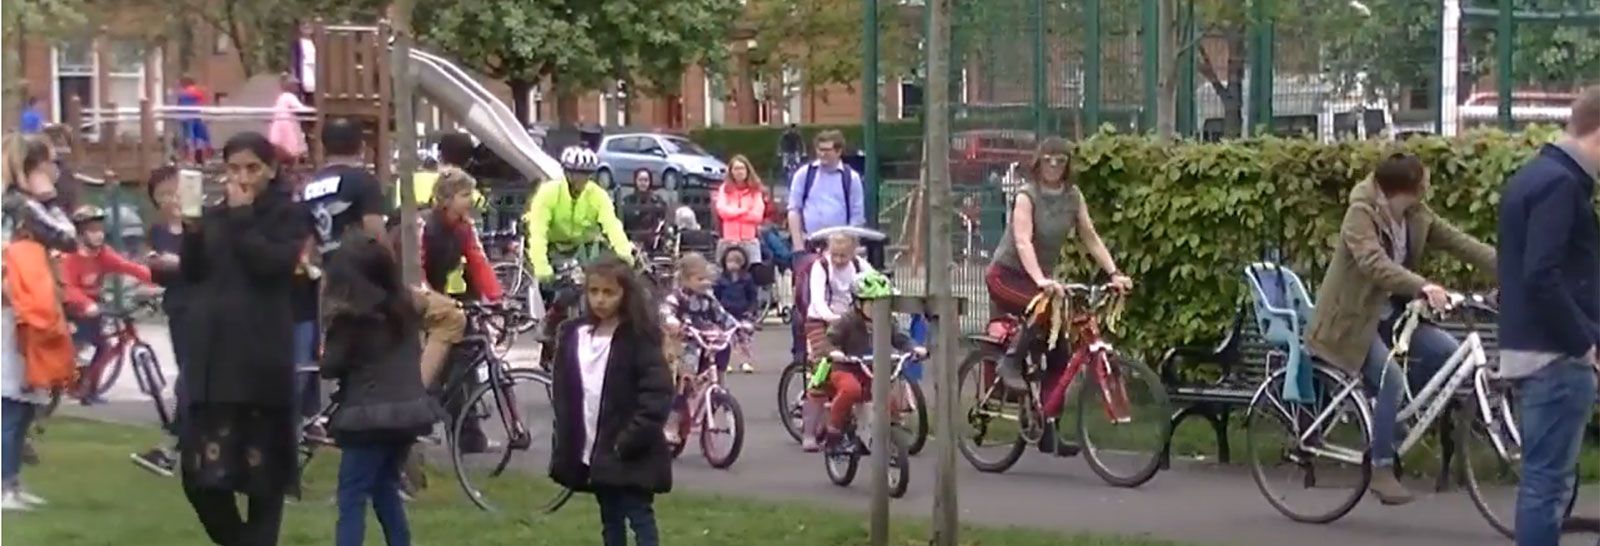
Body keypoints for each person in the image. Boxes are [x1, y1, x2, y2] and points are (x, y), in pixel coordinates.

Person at [1304, 152, 1496, 506]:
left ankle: (1395, 423)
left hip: (1392, 313)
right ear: (1409, 187)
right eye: (1424, 180)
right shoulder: (1359, 215)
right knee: (1390, 378)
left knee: (1446, 354)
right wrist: (1422, 286)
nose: (1428, 184)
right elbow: (1373, 263)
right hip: (1353, 319)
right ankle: (1381, 467)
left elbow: (1459, 243)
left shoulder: (1414, 214)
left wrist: (1509, 266)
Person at [178, 132, 310, 546]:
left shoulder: (287, 215)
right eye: (234, 168)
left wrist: (242, 216)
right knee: (199, 478)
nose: (243, 177)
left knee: (262, 481)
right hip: (213, 363)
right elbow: (194, 272)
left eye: (253, 168)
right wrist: (193, 232)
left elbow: (269, 264)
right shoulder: (218, 216)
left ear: (271, 170)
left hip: (258, 362)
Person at [1495, 87, 1600, 546]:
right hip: (1555, 357)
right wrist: (1584, 341)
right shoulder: (1561, 186)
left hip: (1531, 349)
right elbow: (1543, 273)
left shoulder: (1532, 177)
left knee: (1544, 482)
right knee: (1548, 485)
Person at [985, 137, 1130, 456]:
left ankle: (1049, 427)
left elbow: (1090, 237)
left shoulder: (1072, 197)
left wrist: (1114, 272)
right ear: (1038, 162)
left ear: (1067, 165)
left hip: (1040, 281)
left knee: (1060, 352)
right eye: (1048, 160)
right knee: (1043, 308)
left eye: (1060, 161)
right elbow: (1022, 241)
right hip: (1007, 275)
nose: (1054, 166)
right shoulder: (1027, 195)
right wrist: (1040, 279)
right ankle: (1008, 364)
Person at [320, 231, 444, 546]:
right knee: (384, 487)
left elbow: (331, 367)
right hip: (407, 414)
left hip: (367, 417)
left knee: (351, 496)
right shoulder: (404, 309)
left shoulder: (352, 321)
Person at [547, 255, 672, 546]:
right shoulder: (576, 335)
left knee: (639, 515)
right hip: (594, 447)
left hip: (629, 448)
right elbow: (568, 394)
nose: (600, 300)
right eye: (594, 292)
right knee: (610, 517)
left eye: (609, 293)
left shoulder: (638, 338)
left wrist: (628, 440)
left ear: (624, 295)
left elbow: (657, 394)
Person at [2, 134, 77, 511]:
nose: (56, 170)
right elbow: (67, 237)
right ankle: (4, 486)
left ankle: (11, 482)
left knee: (22, 400)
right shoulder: (22, 205)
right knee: (12, 401)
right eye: (51, 162)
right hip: (17, 312)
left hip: (20, 308)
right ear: (36, 167)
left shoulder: (13, 203)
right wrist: (49, 199)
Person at [813, 271, 925, 449]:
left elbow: (899, 338)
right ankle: (833, 426)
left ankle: (884, 431)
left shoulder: (887, 321)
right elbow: (829, 341)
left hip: (872, 369)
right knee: (851, 390)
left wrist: (914, 347)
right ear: (858, 303)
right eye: (871, 304)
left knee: (889, 397)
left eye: (882, 304)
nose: (877, 309)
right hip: (847, 368)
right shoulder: (848, 320)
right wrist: (835, 352)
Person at [785, 130, 865, 369]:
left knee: (840, 296)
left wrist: (851, 248)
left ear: (839, 151)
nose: (822, 155)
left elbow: (857, 217)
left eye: (827, 150)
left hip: (839, 247)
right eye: (819, 149)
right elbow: (794, 209)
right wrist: (798, 245)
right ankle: (801, 354)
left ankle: (837, 348)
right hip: (810, 246)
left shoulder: (850, 178)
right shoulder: (805, 175)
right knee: (804, 300)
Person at [60, 204, 154, 404]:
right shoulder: (70, 257)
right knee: (80, 346)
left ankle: (89, 390)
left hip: (95, 308)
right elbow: (67, 288)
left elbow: (126, 266)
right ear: (80, 233)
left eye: (101, 230)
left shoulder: (103, 254)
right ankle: (70, 382)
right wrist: (85, 304)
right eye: (92, 231)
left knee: (103, 346)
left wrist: (155, 277)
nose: (99, 235)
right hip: (72, 309)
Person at [131, 167, 192, 475]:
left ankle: (172, 444)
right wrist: (153, 266)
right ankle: (177, 444)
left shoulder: (202, 225)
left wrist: (181, 262)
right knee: (188, 373)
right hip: (179, 306)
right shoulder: (158, 232)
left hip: (205, 307)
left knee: (192, 377)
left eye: (175, 191)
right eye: (163, 195)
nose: (171, 200)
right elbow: (155, 272)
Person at [796, 232, 873, 451]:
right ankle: (809, 433)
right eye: (835, 255)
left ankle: (857, 425)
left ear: (853, 252)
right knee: (821, 368)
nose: (839, 260)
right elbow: (817, 300)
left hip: (850, 320)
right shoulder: (820, 266)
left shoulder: (860, 265)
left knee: (861, 363)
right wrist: (834, 318)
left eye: (844, 256)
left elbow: (877, 284)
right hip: (821, 320)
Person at [659, 252, 743, 445]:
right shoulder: (677, 297)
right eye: (700, 279)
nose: (705, 283)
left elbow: (722, 315)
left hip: (706, 341)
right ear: (686, 279)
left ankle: (718, 382)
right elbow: (665, 311)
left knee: (723, 346)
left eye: (707, 278)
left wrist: (737, 326)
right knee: (684, 384)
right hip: (687, 343)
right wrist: (673, 323)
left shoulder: (708, 298)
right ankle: (671, 423)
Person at [525, 146, 635, 281]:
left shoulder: (597, 195)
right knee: (546, 287)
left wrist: (624, 254)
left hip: (580, 248)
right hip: (550, 245)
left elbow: (612, 225)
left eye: (587, 175)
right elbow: (538, 233)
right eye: (578, 174)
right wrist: (541, 266)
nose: (583, 179)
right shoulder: (548, 192)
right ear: (567, 173)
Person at [304, 118, 387, 258]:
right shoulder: (364, 181)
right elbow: (374, 229)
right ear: (361, 147)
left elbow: (307, 239)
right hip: (356, 269)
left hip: (323, 269)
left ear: (324, 149)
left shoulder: (309, 186)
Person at [713, 154, 766, 265]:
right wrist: (744, 210)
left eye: (742, 168)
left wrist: (733, 214)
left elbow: (757, 216)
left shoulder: (755, 190)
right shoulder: (724, 189)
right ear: (731, 171)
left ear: (747, 170)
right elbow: (722, 211)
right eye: (736, 169)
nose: (739, 172)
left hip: (749, 240)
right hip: (728, 239)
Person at [713, 246, 758, 374]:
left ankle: (745, 361)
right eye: (730, 262)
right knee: (725, 340)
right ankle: (726, 363)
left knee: (744, 339)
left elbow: (752, 296)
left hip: (742, 312)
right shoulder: (721, 280)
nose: (732, 265)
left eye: (736, 262)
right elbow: (716, 296)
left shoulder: (747, 279)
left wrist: (751, 310)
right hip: (725, 313)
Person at [619, 168, 669, 253]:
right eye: (640, 180)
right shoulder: (627, 200)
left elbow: (663, 222)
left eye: (646, 180)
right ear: (636, 181)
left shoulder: (657, 201)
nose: (643, 183)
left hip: (653, 244)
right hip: (632, 243)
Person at [268, 74, 309, 164]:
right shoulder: (289, 97)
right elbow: (300, 108)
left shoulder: (281, 97)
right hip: (287, 125)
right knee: (292, 146)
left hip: (279, 123)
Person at [175, 77, 214, 163]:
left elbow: (180, 106)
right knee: (200, 138)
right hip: (196, 117)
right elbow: (203, 101)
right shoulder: (197, 92)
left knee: (190, 139)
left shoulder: (185, 94)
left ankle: (191, 158)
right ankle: (200, 158)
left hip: (188, 118)